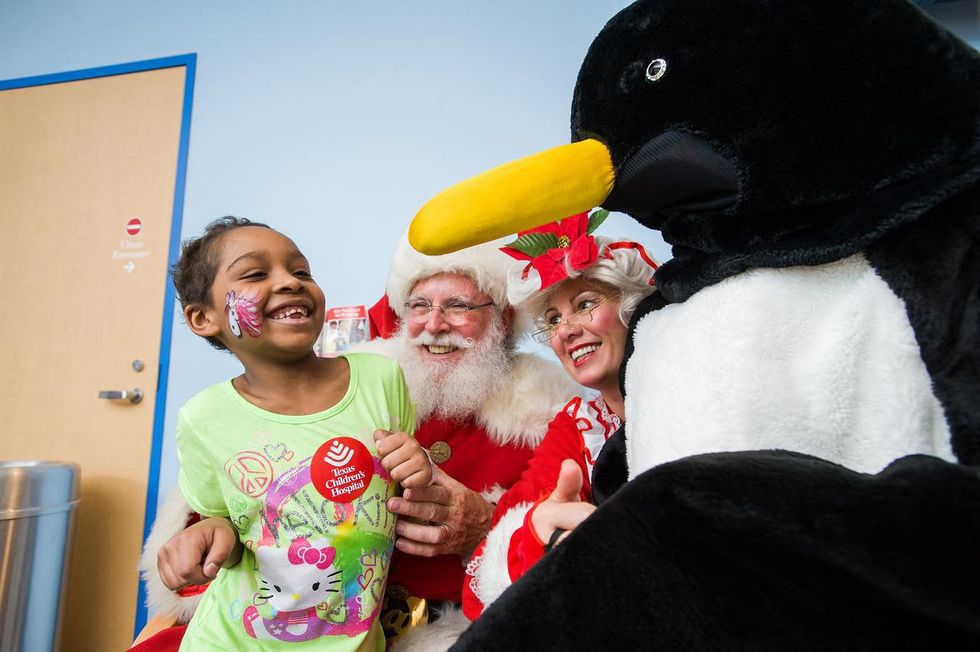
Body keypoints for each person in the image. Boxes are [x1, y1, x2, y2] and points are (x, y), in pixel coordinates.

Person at [135, 230, 580, 651]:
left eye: (459, 305)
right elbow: (227, 513)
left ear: (502, 319)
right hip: (279, 626)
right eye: (419, 305)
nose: (434, 324)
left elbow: (563, 558)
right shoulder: (368, 385)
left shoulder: (548, 416)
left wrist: (485, 525)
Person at [143, 216, 431, 651]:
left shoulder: (382, 380)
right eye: (256, 274)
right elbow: (229, 524)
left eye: (301, 272)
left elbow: (402, 493)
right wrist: (208, 535)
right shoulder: (203, 418)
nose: (290, 282)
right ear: (204, 318)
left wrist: (419, 465)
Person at [460, 213, 658, 618]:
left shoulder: (706, 391)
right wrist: (536, 536)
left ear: (634, 306)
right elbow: (476, 593)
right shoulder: (579, 425)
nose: (565, 331)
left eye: (585, 305)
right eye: (552, 320)